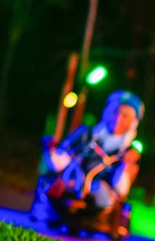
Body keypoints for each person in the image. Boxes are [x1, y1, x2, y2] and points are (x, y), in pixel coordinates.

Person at [31, 89, 143, 228]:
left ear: (133, 123)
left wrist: (126, 166)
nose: (118, 119)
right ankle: (51, 212)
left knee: (104, 197)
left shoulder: (127, 151)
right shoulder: (85, 133)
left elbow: (120, 187)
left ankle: (92, 220)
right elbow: (61, 156)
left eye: (125, 116)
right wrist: (52, 151)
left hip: (99, 189)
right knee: (52, 181)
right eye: (115, 111)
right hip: (72, 180)